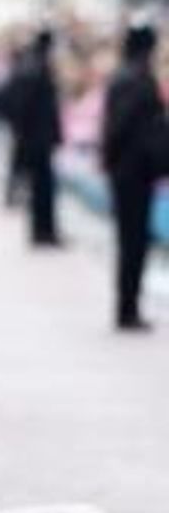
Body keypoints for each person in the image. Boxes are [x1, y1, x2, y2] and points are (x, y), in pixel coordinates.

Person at [101, 20, 166, 332]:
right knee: (134, 243)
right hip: (135, 173)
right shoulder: (140, 79)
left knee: (130, 242)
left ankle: (127, 305)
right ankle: (128, 309)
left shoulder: (122, 76)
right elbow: (122, 126)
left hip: (125, 171)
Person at [3, 31, 62, 247]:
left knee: (39, 188)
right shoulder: (37, 69)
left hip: (32, 138)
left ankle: (42, 230)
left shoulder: (28, 66)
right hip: (38, 140)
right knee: (43, 188)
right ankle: (43, 231)